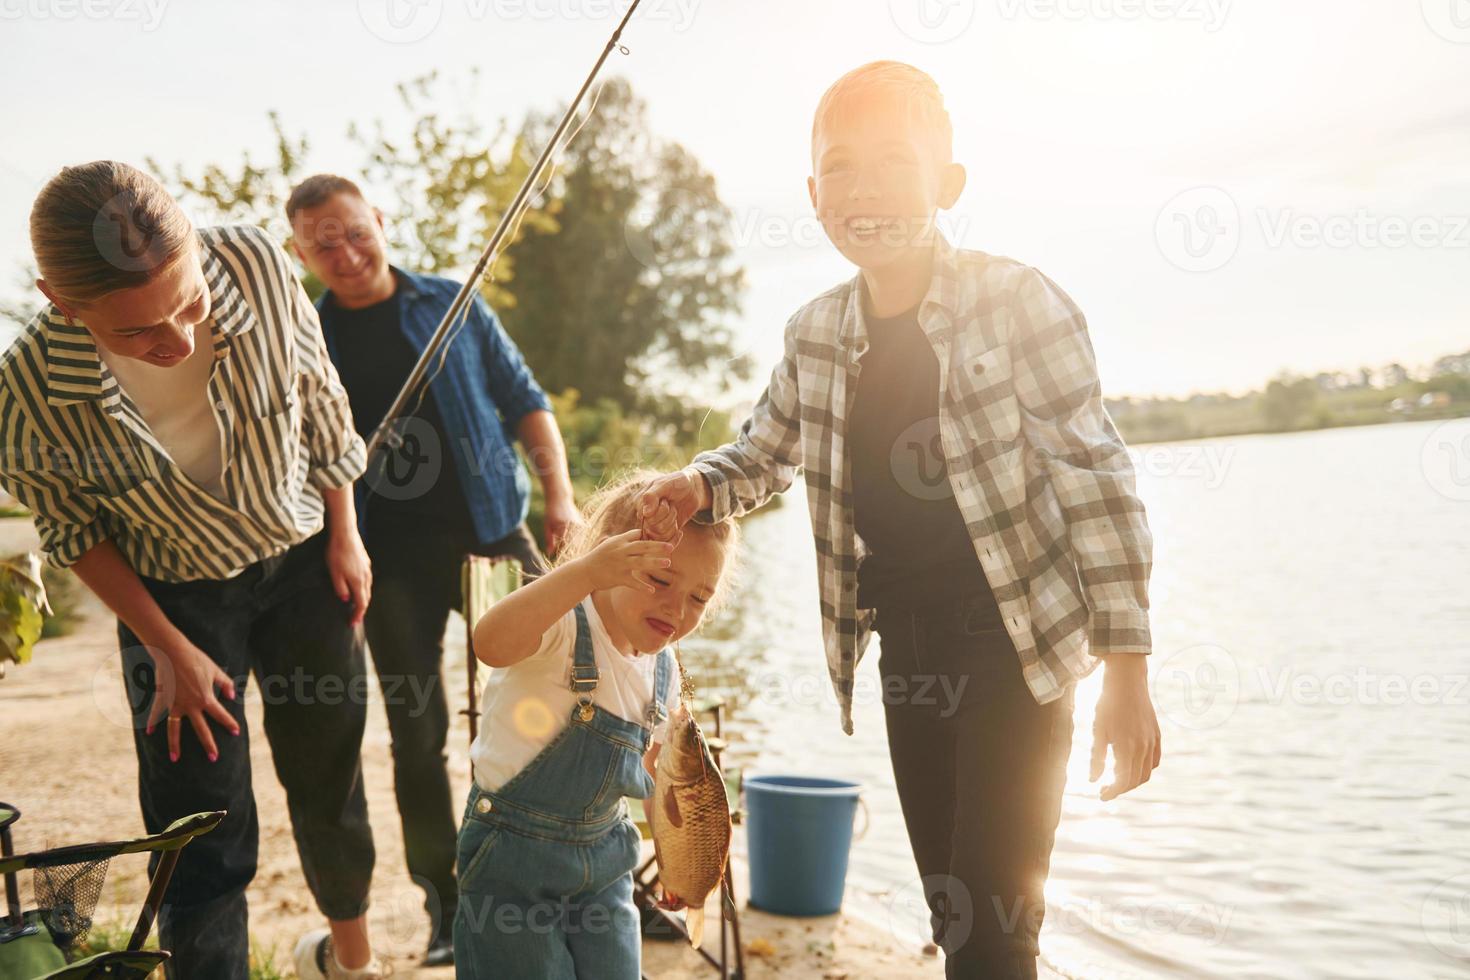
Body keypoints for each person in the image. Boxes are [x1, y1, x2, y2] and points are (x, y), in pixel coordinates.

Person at [639, 62, 1163, 979]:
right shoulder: (812, 332)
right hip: (904, 650)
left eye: (892, 163)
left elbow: (1096, 476)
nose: (865, 189)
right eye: (840, 167)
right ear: (812, 195)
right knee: (951, 909)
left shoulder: (1017, 300)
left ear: (947, 184)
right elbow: (761, 454)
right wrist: (694, 486)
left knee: (998, 928)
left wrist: (1128, 670)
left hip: (1017, 648)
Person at [0, 161, 385, 979]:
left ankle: (351, 960)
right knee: (200, 825)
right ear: (60, 302)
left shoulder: (257, 263)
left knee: (329, 770)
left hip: (306, 558)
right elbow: (72, 530)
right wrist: (167, 648)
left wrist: (346, 533)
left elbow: (322, 405)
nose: (175, 342)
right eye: (138, 332)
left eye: (189, 305)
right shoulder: (25, 388)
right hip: (168, 596)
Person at [286, 173, 577, 966]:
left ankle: (571, 877)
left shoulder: (453, 301)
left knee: (555, 701)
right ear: (300, 252)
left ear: (380, 220)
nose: (345, 252)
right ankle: (449, 906)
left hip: (493, 537)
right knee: (419, 739)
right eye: (323, 243)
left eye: (355, 231)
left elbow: (525, 400)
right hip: (387, 568)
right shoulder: (308, 341)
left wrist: (561, 496)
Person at [455, 471, 738, 979]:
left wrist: (676, 856)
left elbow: (657, 776)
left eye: (699, 598)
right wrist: (583, 574)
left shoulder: (664, 670)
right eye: (661, 579)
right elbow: (489, 642)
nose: (677, 608)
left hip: (606, 865)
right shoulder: (562, 623)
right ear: (613, 561)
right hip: (513, 864)